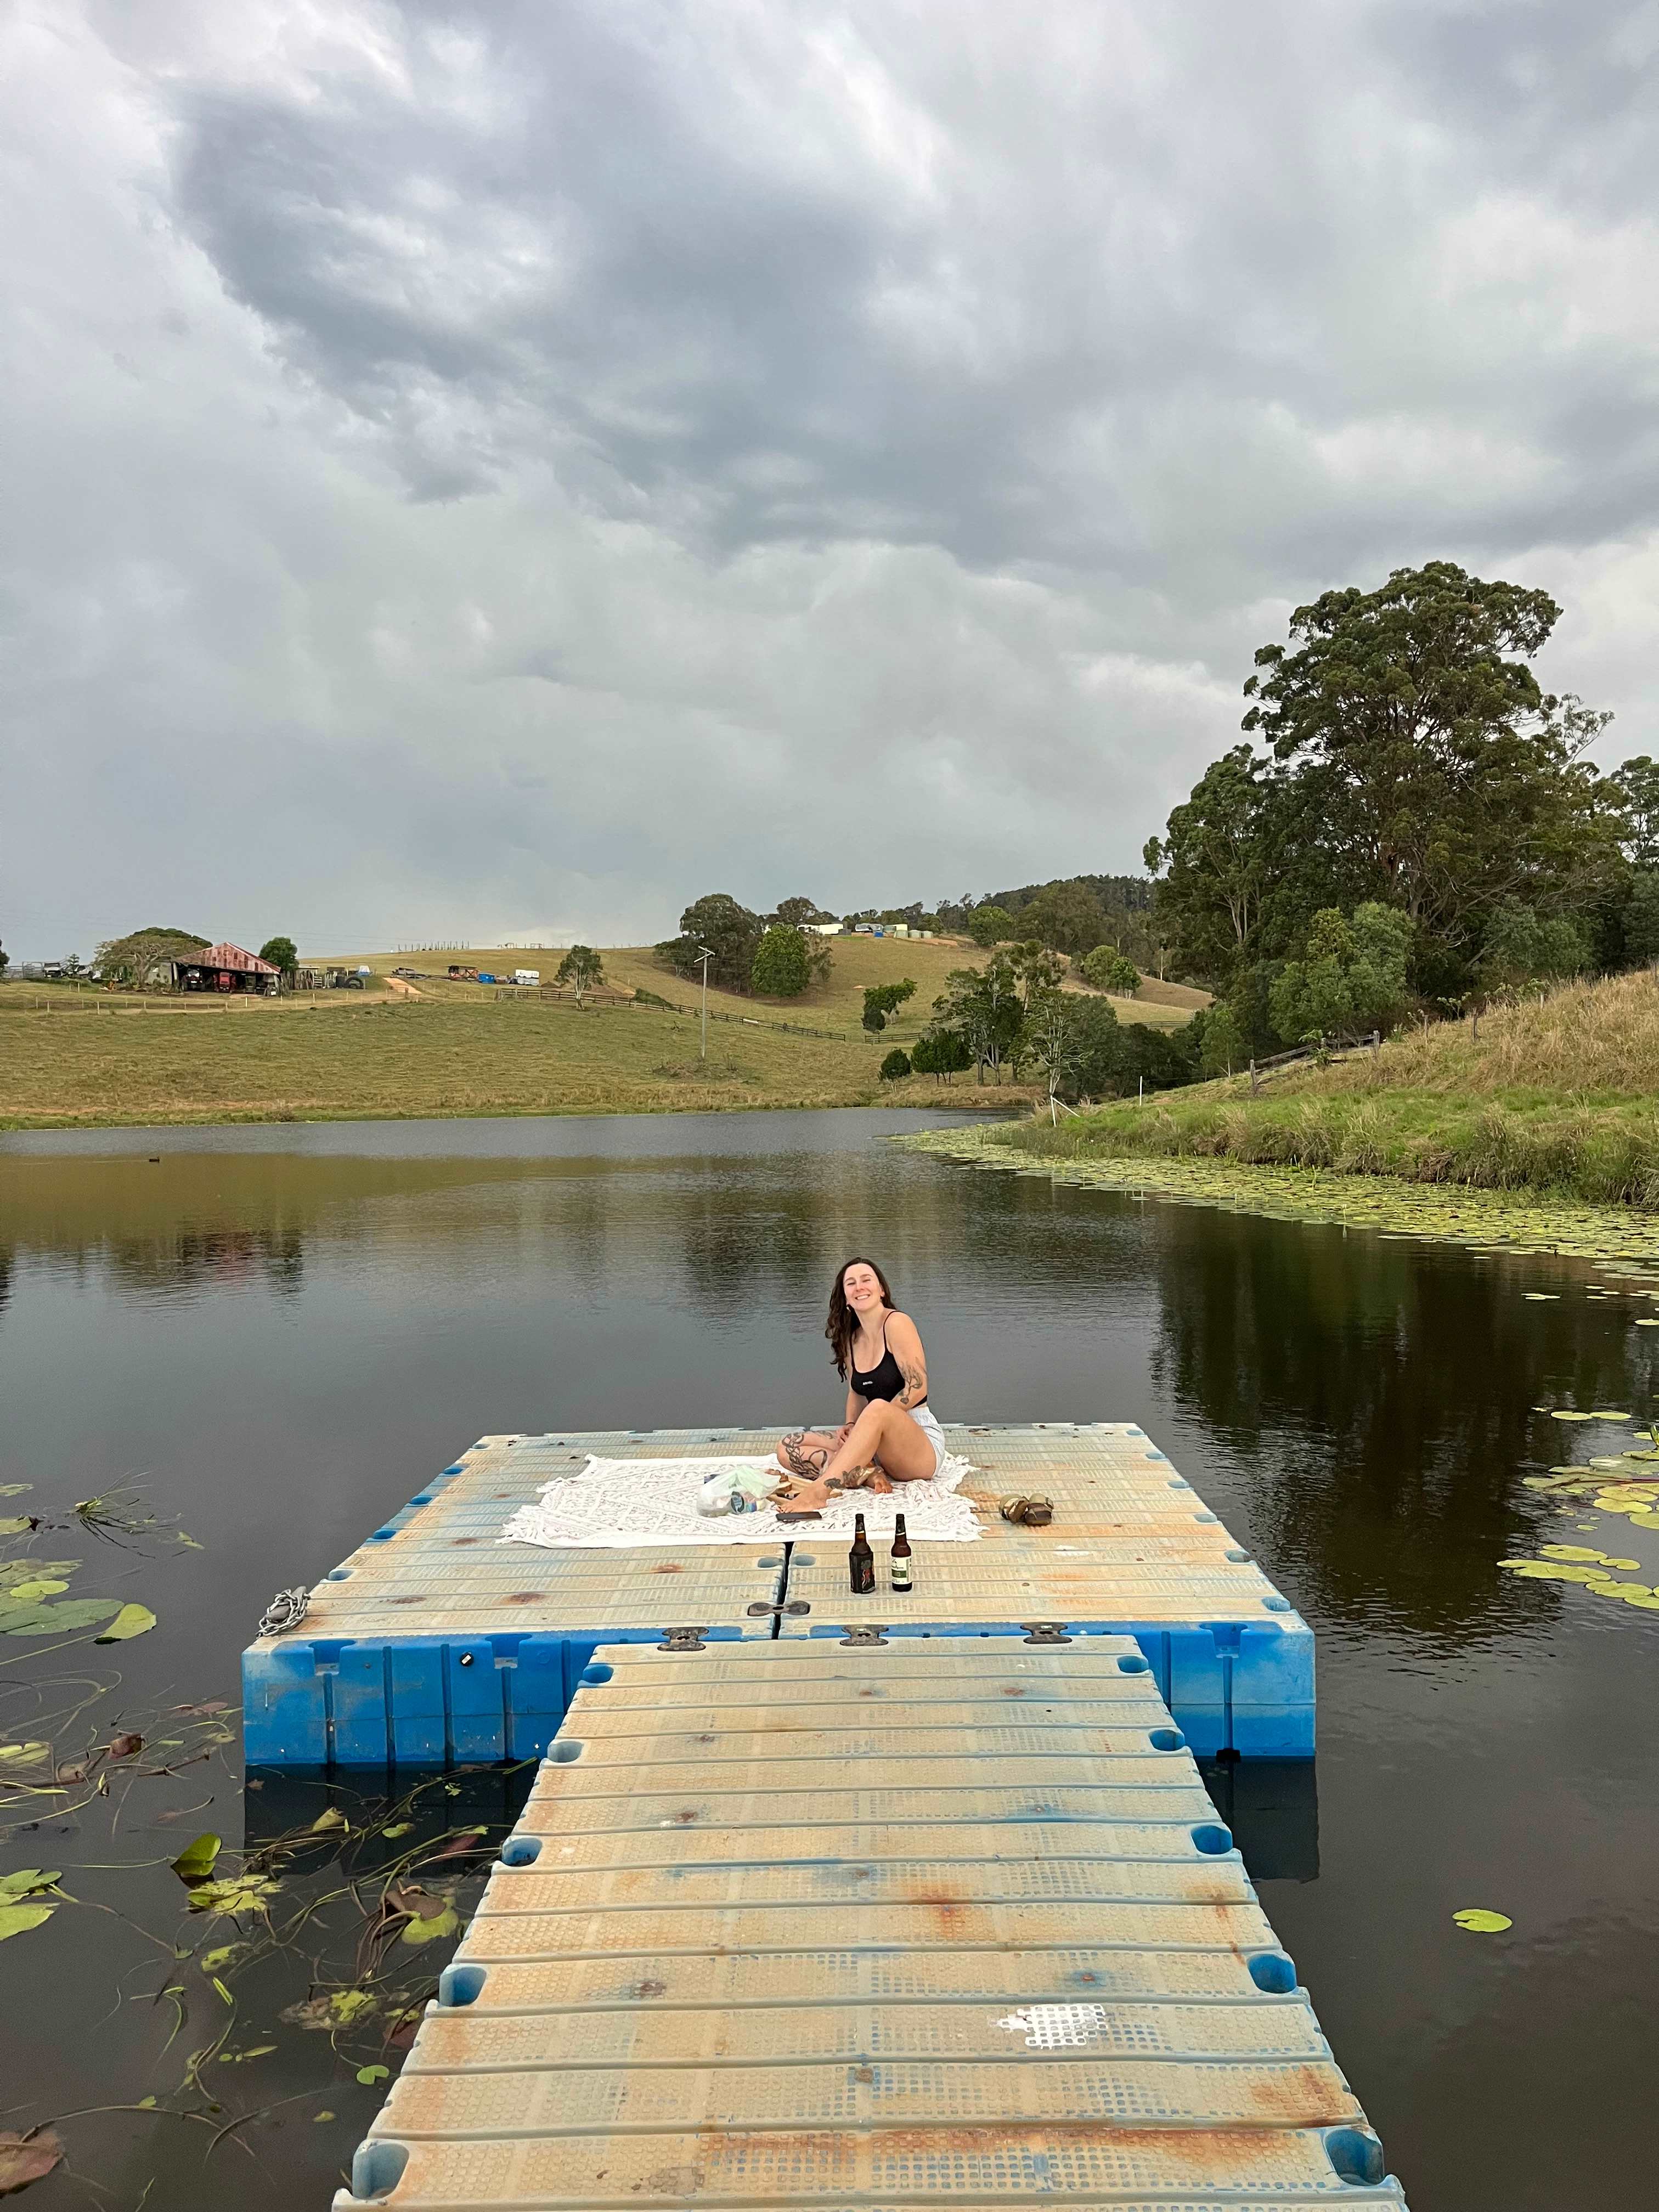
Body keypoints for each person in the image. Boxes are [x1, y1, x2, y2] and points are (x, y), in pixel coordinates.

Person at [772, 1257, 946, 1508]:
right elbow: (856, 1391)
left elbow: (918, 1387)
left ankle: (819, 1494)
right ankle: (868, 1473)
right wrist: (852, 1425)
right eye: (851, 1283)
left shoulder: (897, 1323)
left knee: (876, 1408)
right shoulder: (851, 1339)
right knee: (786, 1447)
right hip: (874, 1441)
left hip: (918, 1445)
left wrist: (872, 1424)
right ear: (845, 1297)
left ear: (881, 1290)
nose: (859, 1287)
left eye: (867, 1280)